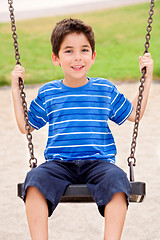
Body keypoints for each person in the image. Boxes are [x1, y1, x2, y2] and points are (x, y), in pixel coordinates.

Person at [11, 18, 153, 240]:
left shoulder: (104, 89)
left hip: (99, 163)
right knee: (34, 181)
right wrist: (14, 84)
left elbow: (134, 114)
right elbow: (25, 126)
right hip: (59, 164)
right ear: (56, 58)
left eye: (84, 50)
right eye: (69, 51)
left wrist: (147, 75)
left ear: (93, 56)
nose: (77, 57)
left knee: (118, 179)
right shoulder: (49, 93)